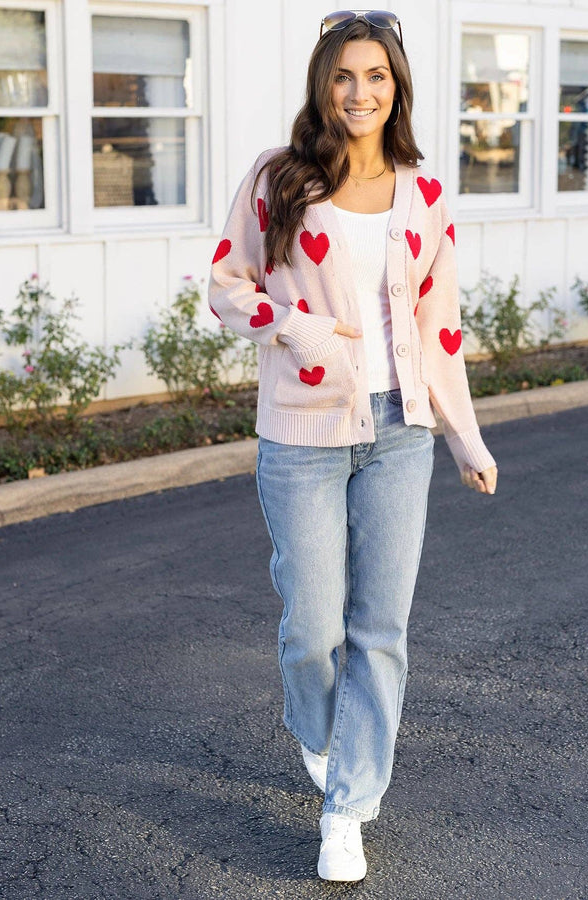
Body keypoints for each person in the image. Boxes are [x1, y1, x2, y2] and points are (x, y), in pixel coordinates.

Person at [208, 9, 497, 883]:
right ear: (322, 83)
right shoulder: (278, 178)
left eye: (376, 76)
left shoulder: (427, 194)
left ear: (397, 85)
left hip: (401, 429)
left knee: (381, 627)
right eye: (344, 76)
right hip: (302, 434)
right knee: (313, 625)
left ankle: (349, 807)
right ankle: (318, 732)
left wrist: (464, 439)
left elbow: (439, 331)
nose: (360, 92)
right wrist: (304, 328)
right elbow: (226, 286)